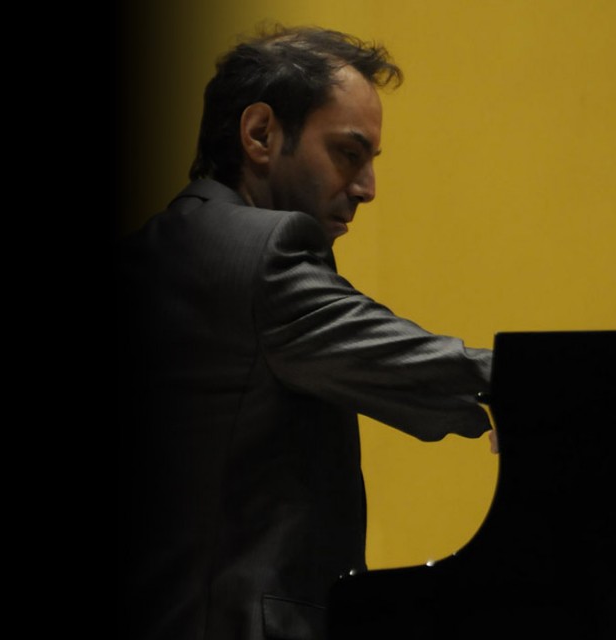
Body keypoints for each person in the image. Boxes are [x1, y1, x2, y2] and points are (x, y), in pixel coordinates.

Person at [114, 25, 495, 640]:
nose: (368, 188)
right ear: (260, 134)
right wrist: (552, 386)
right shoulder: (259, 255)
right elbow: (414, 363)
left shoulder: (161, 248)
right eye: (348, 153)